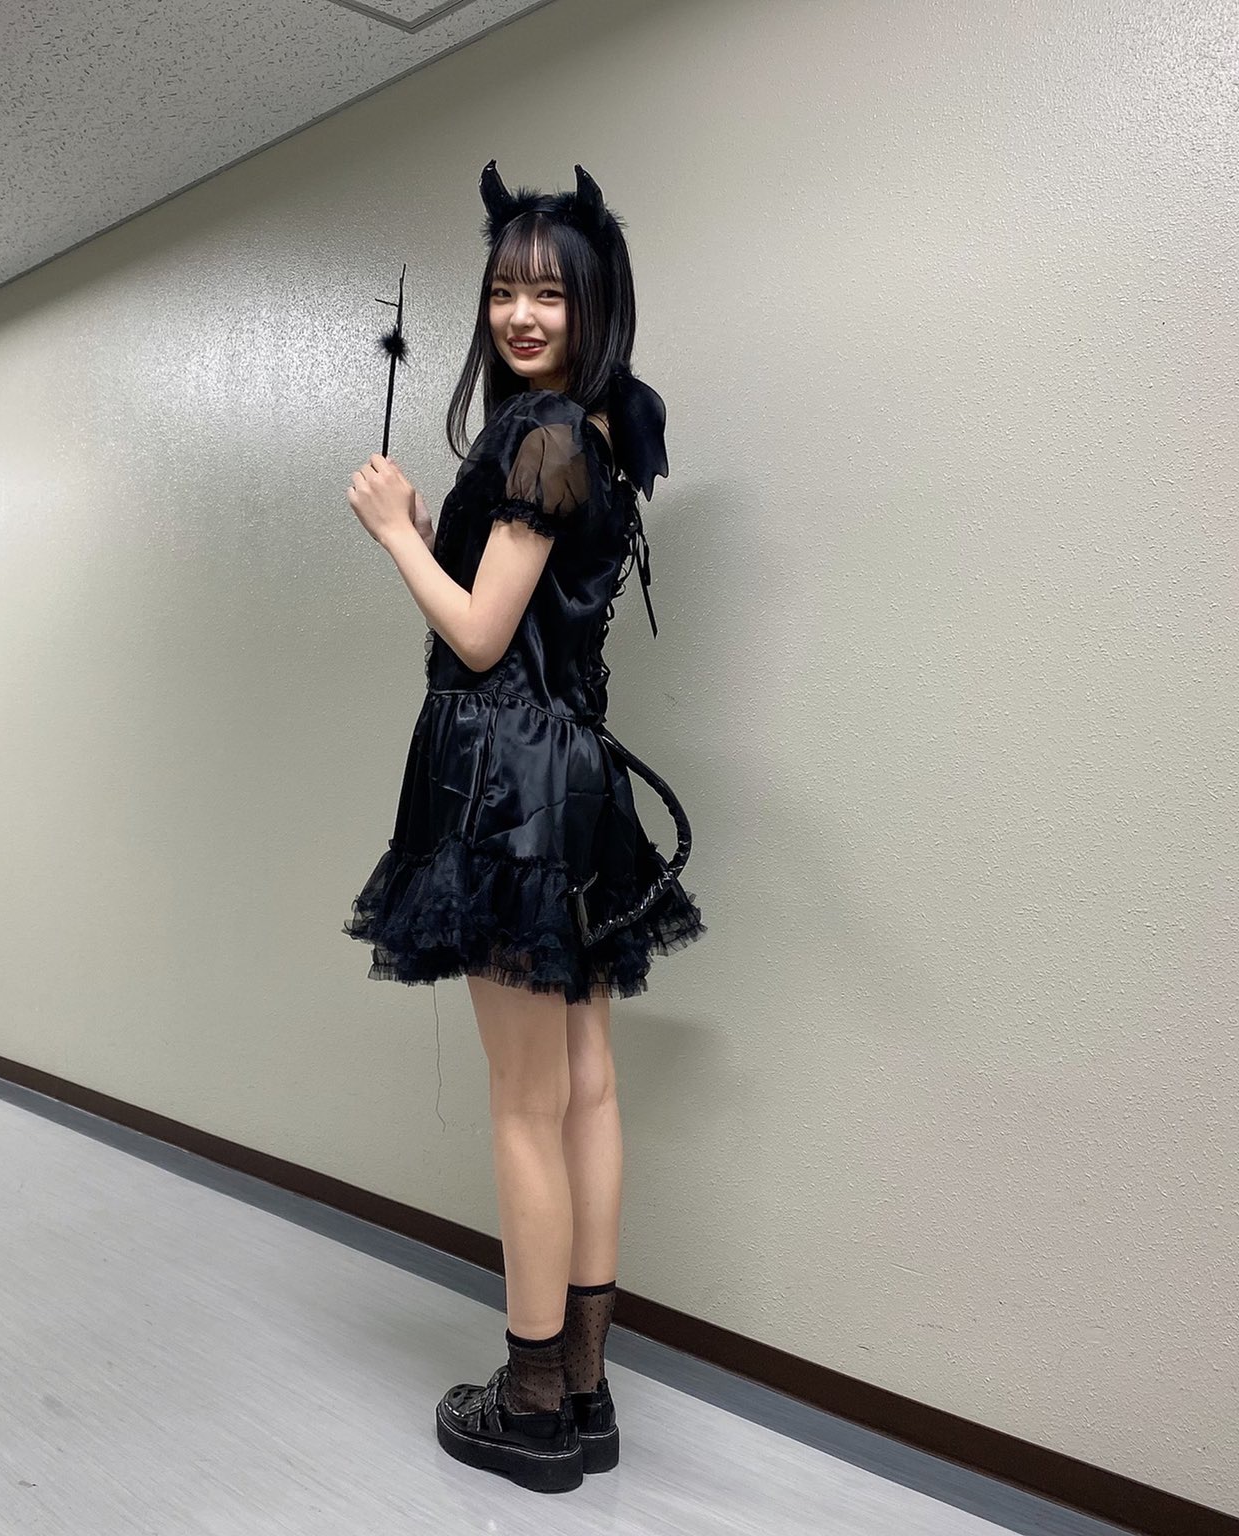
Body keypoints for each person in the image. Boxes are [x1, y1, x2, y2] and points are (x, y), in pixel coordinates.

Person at [344, 159, 705, 1493]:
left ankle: (534, 1404)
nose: (521, 313)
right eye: (504, 290)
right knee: (587, 1087)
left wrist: (395, 529)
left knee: (526, 1100)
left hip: (504, 780)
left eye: (549, 291)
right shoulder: (599, 430)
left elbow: (483, 633)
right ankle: (588, 1392)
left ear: (592, 301)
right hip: (577, 777)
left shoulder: (542, 433)